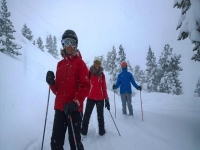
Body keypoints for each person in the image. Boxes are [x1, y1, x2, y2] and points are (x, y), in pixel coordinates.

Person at [46, 29, 90, 150]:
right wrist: (52, 83)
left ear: (76, 45)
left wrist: (75, 103)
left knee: (75, 143)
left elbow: (86, 86)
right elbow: (58, 91)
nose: (70, 45)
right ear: (63, 44)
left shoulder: (80, 63)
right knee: (55, 143)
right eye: (67, 42)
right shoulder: (60, 65)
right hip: (60, 109)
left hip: (74, 110)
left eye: (73, 42)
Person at [81, 56, 110, 136]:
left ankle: (102, 131)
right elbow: (85, 84)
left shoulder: (102, 75)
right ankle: (83, 131)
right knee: (87, 115)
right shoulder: (89, 72)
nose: (97, 64)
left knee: (100, 116)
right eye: (96, 62)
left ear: (100, 64)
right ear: (94, 63)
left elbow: (104, 88)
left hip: (100, 98)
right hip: (90, 97)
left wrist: (106, 99)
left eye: (98, 63)